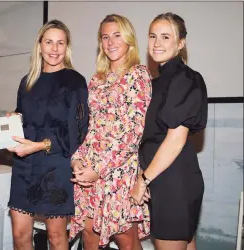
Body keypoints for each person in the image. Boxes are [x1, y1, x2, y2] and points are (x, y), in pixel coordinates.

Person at [69, 14, 152, 250]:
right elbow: (91, 127)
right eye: (105, 37)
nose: (111, 42)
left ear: (129, 40)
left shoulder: (138, 75)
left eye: (117, 35)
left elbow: (132, 134)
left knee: (126, 240)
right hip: (89, 170)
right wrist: (77, 160)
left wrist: (99, 169)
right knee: (89, 235)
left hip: (119, 173)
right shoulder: (96, 80)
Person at [6, 19, 89, 250]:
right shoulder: (27, 81)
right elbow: (26, 117)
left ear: (67, 47)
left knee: (55, 237)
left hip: (56, 165)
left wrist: (40, 145)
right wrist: (15, 118)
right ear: (40, 45)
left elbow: (79, 130)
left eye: (60, 43)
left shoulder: (75, 81)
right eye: (49, 42)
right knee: (20, 235)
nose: (54, 49)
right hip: (25, 164)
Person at [130, 12, 208, 250]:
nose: (157, 43)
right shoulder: (157, 82)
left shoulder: (185, 79)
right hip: (165, 178)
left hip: (174, 181)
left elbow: (175, 141)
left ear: (180, 43)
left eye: (165, 37)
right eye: (153, 36)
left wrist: (143, 181)